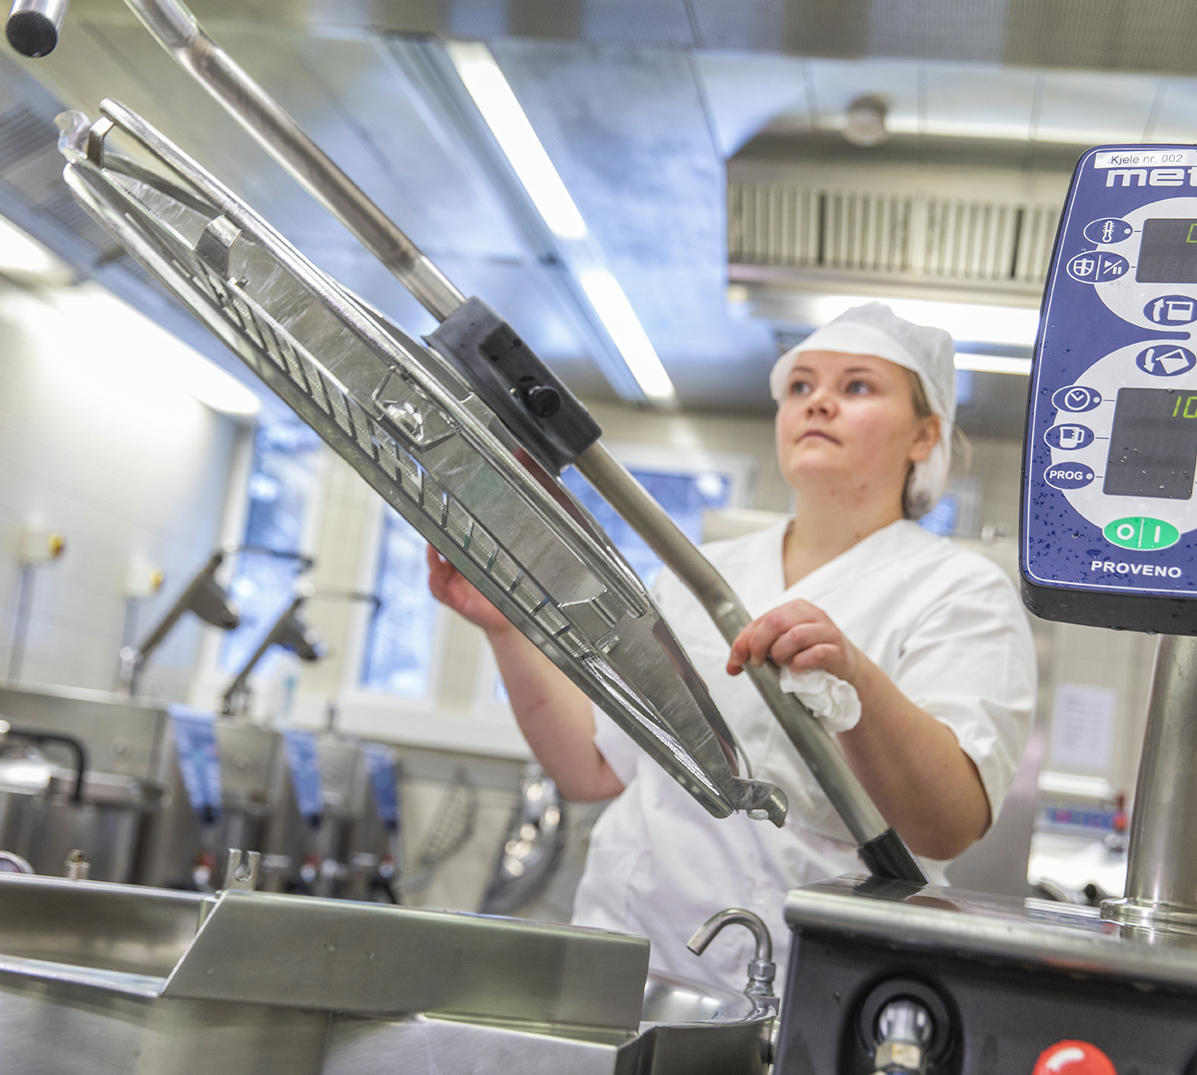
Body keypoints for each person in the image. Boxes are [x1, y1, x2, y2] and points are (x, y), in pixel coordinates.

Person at [428, 302, 1036, 991]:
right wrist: (506, 628)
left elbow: (947, 826)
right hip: (624, 955)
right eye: (800, 386)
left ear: (924, 434)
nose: (818, 403)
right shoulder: (699, 573)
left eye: (857, 386)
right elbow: (593, 768)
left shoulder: (959, 591)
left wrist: (856, 682)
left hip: (797, 981)